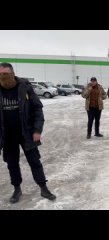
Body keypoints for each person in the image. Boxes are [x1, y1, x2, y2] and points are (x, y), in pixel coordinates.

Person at [0, 62, 56, 203]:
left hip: (27, 133)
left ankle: (43, 187)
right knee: (12, 163)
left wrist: (37, 130)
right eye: (0, 74)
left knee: (34, 161)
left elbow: (37, 109)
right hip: (7, 136)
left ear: (12, 73)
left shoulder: (25, 87)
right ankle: (17, 189)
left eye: (5, 74)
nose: (2, 77)